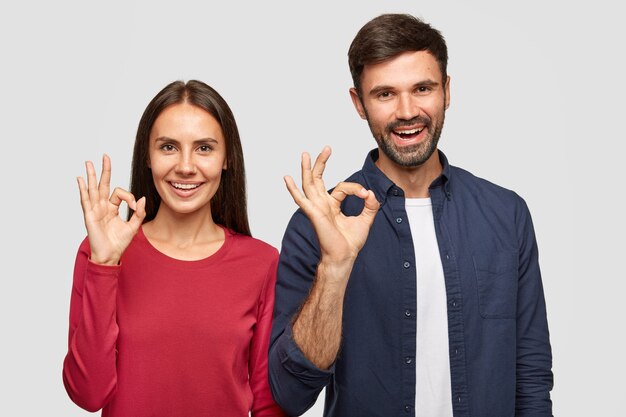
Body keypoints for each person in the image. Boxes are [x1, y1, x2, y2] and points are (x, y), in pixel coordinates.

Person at [269, 14, 553, 417]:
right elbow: (290, 395)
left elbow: (531, 376)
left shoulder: (506, 214)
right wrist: (334, 268)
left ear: (447, 90)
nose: (407, 111)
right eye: (385, 94)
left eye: (422, 88)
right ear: (359, 104)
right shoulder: (317, 224)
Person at [63, 80, 286, 417]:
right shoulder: (102, 252)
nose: (185, 165)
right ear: (148, 158)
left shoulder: (262, 263)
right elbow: (88, 394)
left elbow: (268, 405)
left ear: (227, 159)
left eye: (204, 148)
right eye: (168, 147)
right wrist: (104, 264)